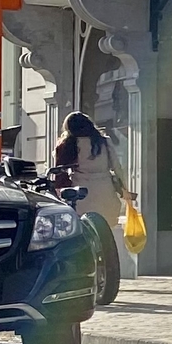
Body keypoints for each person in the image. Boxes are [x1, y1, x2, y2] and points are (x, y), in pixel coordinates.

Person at [51, 111, 124, 305]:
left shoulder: (69, 144)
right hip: (106, 193)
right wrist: (124, 190)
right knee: (106, 234)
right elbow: (117, 167)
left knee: (82, 234)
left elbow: (59, 171)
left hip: (83, 194)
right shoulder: (104, 142)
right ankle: (109, 269)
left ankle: (88, 272)